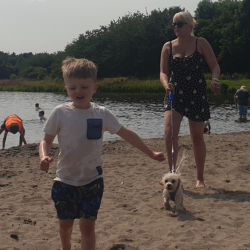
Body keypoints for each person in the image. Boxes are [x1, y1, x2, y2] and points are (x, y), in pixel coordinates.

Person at [39, 57, 165, 250]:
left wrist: (151, 153)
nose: (78, 91)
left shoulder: (101, 114)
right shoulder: (60, 113)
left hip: (93, 180)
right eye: (72, 88)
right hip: (64, 180)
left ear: (94, 88)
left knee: (88, 226)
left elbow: (126, 134)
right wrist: (44, 156)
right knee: (66, 225)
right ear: (66, 89)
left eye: (84, 87)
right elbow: (46, 140)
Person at [160, 11, 220, 188]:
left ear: (190, 26)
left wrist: (214, 80)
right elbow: (163, 72)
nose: (176, 27)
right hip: (174, 94)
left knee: (196, 137)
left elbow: (215, 66)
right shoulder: (168, 46)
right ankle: (172, 174)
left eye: (180, 24)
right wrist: (166, 85)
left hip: (197, 95)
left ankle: (200, 178)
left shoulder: (200, 42)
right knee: (169, 133)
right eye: (174, 24)